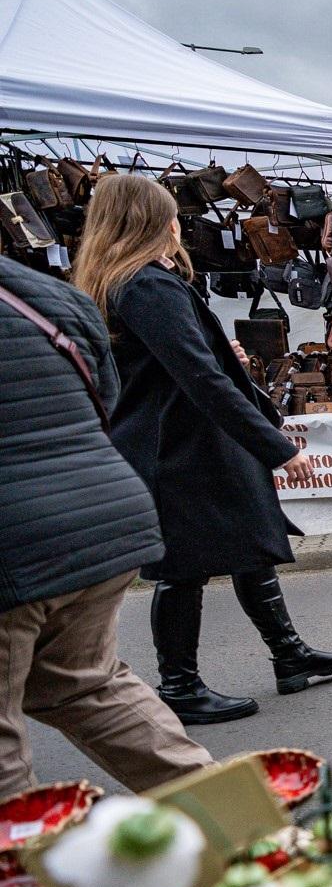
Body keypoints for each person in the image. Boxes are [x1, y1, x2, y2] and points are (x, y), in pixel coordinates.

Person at [78, 175, 332, 726]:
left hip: (183, 442)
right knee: (182, 569)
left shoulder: (123, 283)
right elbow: (199, 379)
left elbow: (170, 364)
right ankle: (179, 686)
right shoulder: (146, 285)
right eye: (172, 215)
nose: (178, 224)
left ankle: (288, 654)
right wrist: (277, 448)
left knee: (248, 541)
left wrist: (218, 350)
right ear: (154, 222)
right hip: (180, 447)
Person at [0, 254, 215, 798]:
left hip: (15, 540)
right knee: (86, 685)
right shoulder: (50, 296)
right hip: (102, 515)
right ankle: (234, 820)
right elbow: (103, 404)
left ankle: (21, 853)